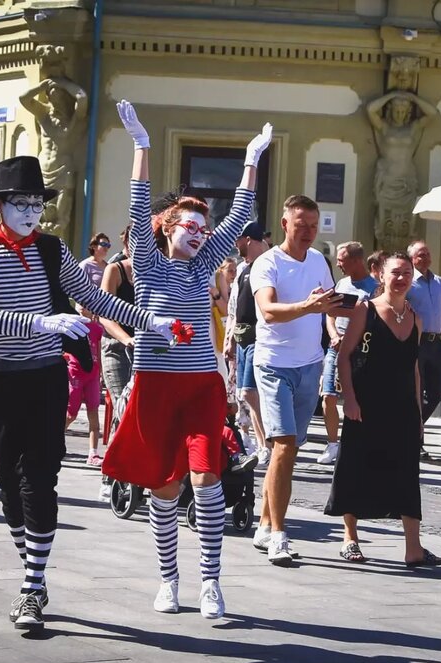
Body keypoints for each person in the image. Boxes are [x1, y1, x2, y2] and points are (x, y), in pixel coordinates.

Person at [0, 152, 176, 632]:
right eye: (20, 202)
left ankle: (32, 587)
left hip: (46, 377)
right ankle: (32, 568)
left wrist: (150, 319)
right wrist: (42, 321)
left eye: (37, 202)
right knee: (7, 480)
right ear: (0, 206)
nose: (31, 211)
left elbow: (96, 299)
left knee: (39, 477)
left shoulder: (53, 250)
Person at [101, 101, 270, 620]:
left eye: (204, 227)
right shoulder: (147, 265)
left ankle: (213, 584)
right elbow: (136, 204)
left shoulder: (204, 270)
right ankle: (169, 580)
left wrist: (251, 160)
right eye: (189, 225)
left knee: (207, 480)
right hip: (154, 386)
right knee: (165, 487)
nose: (200, 233)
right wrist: (142, 146)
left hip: (200, 387)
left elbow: (240, 214)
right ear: (168, 227)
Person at [326, 252, 441, 568]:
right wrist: (348, 399)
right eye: (396, 272)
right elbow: (344, 357)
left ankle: (413, 548)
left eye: (407, 273)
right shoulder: (366, 311)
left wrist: (419, 414)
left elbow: (415, 369)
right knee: (355, 466)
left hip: (402, 407)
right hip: (366, 404)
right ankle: (350, 537)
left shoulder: (416, 317)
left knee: (407, 472)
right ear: (382, 276)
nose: (402, 278)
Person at [250, 194, 344, 567]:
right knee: (285, 446)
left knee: (286, 451)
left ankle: (261, 524)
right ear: (285, 224)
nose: (307, 232)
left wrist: (337, 320)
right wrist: (310, 306)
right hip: (274, 364)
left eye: (313, 225)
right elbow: (269, 311)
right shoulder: (266, 263)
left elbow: (327, 303)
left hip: (311, 363)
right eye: (300, 224)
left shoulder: (319, 260)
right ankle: (278, 535)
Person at [317, 241, 379, 466]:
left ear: (356, 261)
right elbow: (330, 314)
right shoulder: (342, 284)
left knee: (359, 398)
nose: (338, 265)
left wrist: (352, 337)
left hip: (360, 349)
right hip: (336, 347)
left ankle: (357, 444)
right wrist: (334, 335)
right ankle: (333, 444)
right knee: (328, 395)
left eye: (342, 261)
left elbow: (373, 320)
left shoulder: (374, 288)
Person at [406, 241, 441, 459]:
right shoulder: (408, 282)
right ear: (412, 258)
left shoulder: (439, 282)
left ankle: (410, 427)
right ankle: (416, 441)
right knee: (417, 393)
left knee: (437, 391)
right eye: (421, 254)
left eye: (428, 253)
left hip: (435, 342)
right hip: (415, 342)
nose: (426, 257)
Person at [223, 221, 270, 464]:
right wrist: (229, 339)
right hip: (241, 337)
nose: (235, 243)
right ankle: (263, 445)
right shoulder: (242, 269)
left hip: (259, 335)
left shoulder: (268, 265)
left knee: (251, 392)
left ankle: (268, 443)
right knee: (245, 393)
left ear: (249, 239)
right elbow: (233, 308)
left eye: (238, 239)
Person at [98, 224, 136, 402]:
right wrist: (126, 339)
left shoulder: (157, 271)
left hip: (148, 350)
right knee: (124, 407)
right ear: (127, 242)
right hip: (117, 347)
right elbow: (104, 315)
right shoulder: (114, 269)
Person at [65, 310, 104, 465]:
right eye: (79, 304)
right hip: (75, 373)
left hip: (92, 375)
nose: (82, 307)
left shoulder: (96, 329)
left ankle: (93, 454)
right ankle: (54, 444)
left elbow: (98, 351)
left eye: (85, 305)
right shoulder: (72, 325)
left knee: (93, 412)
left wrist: (100, 373)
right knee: (70, 414)